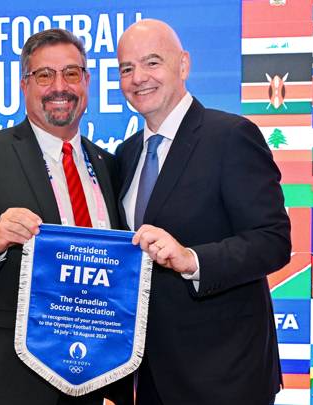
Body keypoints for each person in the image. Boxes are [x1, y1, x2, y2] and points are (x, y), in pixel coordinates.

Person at [0, 28, 130, 405]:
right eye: (44, 75)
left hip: (87, 381)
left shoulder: (109, 166)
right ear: (24, 85)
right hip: (3, 382)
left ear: (87, 81)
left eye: (71, 73)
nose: (59, 86)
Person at [114, 19, 291, 404]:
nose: (138, 77)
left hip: (225, 376)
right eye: (127, 68)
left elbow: (273, 241)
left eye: (152, 62)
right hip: (148, 378)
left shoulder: (231, 136)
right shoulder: (126, 155)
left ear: (184, 65)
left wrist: (191, 259)